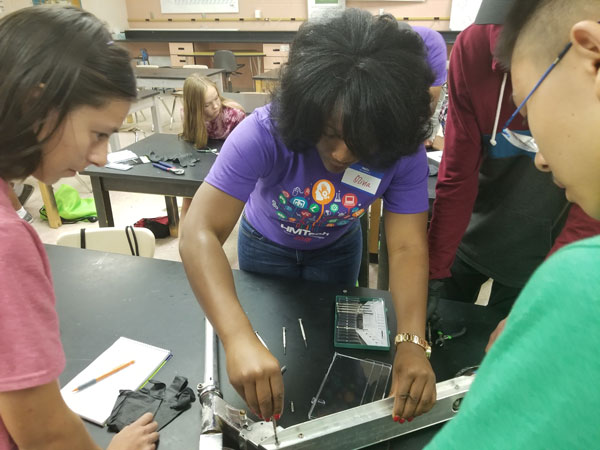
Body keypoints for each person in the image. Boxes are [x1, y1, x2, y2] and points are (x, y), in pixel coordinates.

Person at [180, 8, 445, 425]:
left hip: (337, 250)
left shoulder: (403, 150)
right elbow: (198, 230)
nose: (341, 156)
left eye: (363, 145)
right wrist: (237, 338)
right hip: (265, 246)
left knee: (329, 359)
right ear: (309, 113)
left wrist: (411, 342)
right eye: (331, 135)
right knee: (267, 344)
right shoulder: (266, 130)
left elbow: (409, 245)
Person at [426, 0, 600, 447]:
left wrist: (545, 296)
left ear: (591, 56)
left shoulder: (581, 282)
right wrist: (435, 270)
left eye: (531, 101)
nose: (538, 158)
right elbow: (456, 174)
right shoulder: (472, 52)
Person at [0, 6, 159, 450]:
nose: (102, 158)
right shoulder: (6, 242)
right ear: (39, 105)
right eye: (98, 134)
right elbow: (46, 436)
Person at [179, 74, 246, 219]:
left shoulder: (234, 115)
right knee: (188, 199)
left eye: (216, 98)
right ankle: (183, 239)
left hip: (230, 164)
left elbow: (243, 150)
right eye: (207, 105)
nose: (216, 106)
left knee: (222, 206)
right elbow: (190, 143)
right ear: (194, 107)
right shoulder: (187, 115)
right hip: (201, 162)